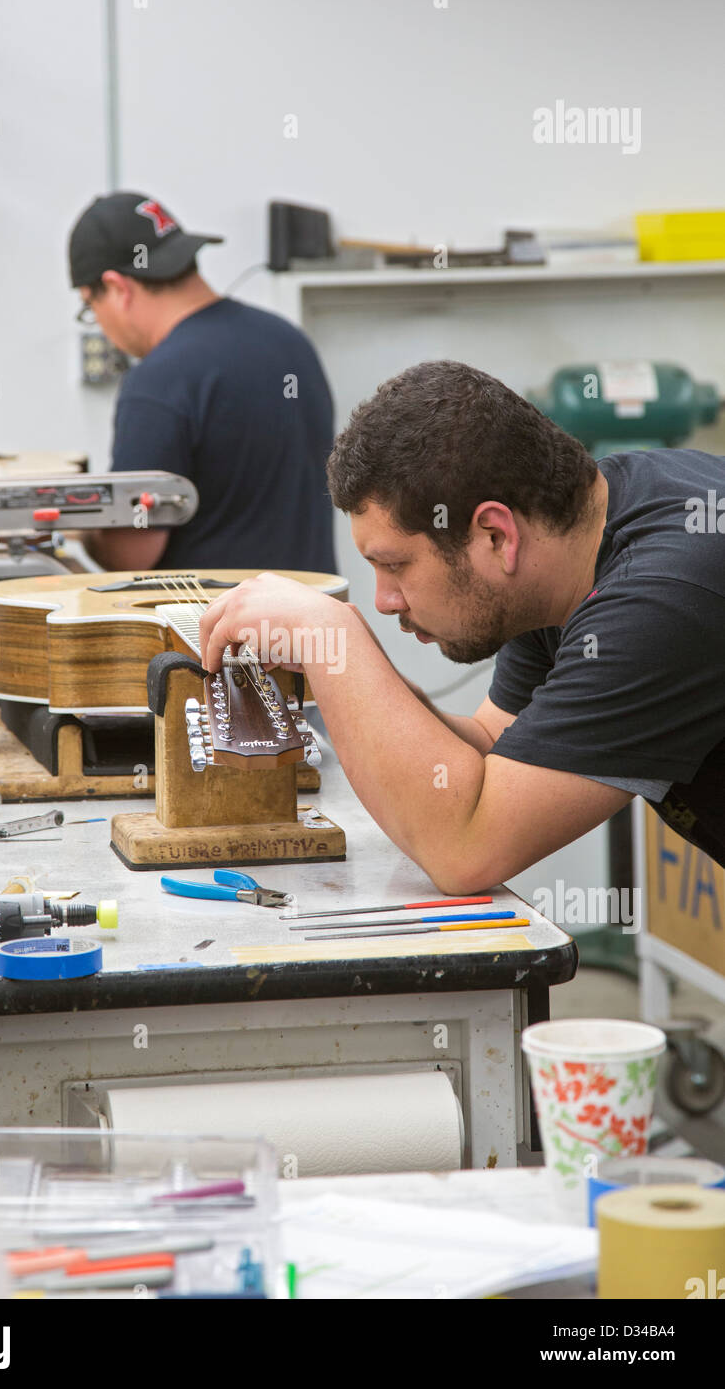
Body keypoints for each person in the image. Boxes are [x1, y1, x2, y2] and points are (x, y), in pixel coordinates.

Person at [198, 359, 725, 889]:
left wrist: (334, 637)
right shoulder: (568, 547)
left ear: (495, 535)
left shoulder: (663, 598)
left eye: (395, 565)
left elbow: (464, 849)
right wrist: (351, 678)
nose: (383, 600)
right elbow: (491, 746)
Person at [68, 192, 336, 573]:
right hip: (314, 618)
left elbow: (131, 552)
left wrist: (81, 524)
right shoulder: (289, 341)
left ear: (117, 288)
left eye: (89, 306)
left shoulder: (158, 380)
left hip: (220, 628)